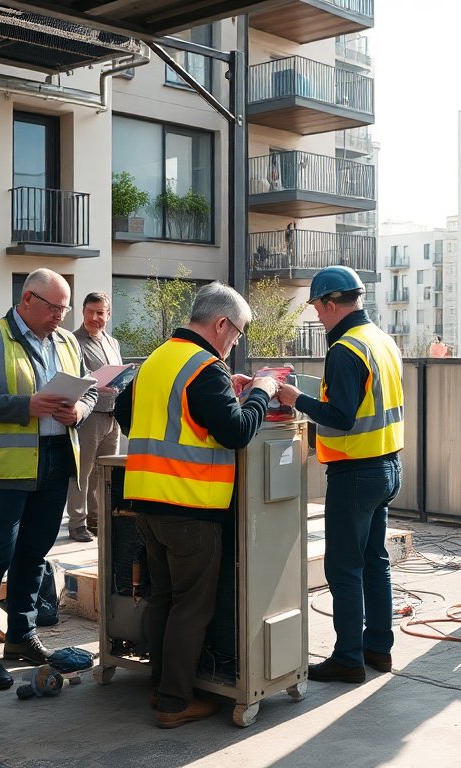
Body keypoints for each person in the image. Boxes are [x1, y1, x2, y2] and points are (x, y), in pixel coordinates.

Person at [114, 282, 279, 728]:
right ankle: (173, 702)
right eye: (238, 332)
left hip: (146, 503)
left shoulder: (154, 361)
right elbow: (236, 432)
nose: (236, 341)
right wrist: (261, 390)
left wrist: (227, 391)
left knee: (164, 599)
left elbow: (126, 414)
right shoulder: (205, 368)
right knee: (193, 607)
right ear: (221, 323)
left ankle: (159, 686)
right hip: (190, 505)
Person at [0, 269, 97, 690]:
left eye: (64, 307)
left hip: (56, 459)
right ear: (28, 300)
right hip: (7, 468)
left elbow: (89, 392)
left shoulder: (68, 341)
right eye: (54, 307)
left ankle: (21, 634)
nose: (60, 315)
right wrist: (27, 406)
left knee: (35, 554)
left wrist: (81, 411)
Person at [276, 265, 403, 684]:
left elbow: (341, 417)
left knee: (344, 567)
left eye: (317, 307)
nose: (316, 316)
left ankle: (348, 658)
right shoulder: (382, 341)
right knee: (374, 561)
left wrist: (298, 399)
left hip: (356, 473)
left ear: (332, 304)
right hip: (387, 466)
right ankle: (378, 649)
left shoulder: (346, 349)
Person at [66, 291, 124, 542]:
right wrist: (95, 386)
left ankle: (97, 519)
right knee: (82, 471)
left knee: (104, 473)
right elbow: (74, 377)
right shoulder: (72, 341)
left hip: (113, 416)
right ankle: (77, 524)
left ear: (108, 315)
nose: (94, 317)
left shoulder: (113, 342)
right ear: (82, 312)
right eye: (89, 311)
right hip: (89, 415)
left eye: (100, 312)